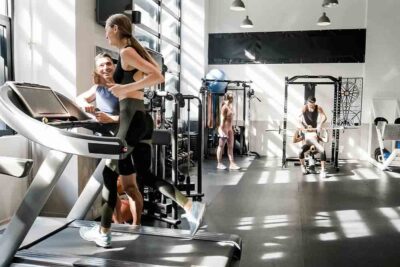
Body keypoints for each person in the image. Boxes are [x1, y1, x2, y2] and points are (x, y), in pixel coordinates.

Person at [79, 13, 205, 248]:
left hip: (131, 118)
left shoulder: (126, 52)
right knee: (145, 175)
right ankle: (190, 206)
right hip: (141, 119)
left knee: (109, 174)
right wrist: (116, 86)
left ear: (115, 28)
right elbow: (151, 71)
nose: (106, 35)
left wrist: (126, 87)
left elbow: (156, 75)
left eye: (107, 30)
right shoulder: (131, 51)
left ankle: (103, 231)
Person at [76, 52, 143, 226]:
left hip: (124, 141)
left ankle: (137, 226)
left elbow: (136, 114)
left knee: (129, 187)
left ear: (114, 66)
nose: (105, 67)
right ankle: (119, 225)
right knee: (110, 186)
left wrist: (112, 119)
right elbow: (79, 98)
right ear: (97, 69)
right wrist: (86, 105)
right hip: (104, 142)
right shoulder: (97, 88)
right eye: (101, 65)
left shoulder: (124, 86)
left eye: (108, 64)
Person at [297, 96, 327, 178]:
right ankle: (303, 167)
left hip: (314, 133)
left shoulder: (318, 108)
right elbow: (298, 119)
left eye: (313, 105)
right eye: (310, 105)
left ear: (315, 103)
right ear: (307, 103)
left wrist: (320, 124)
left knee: (322, 150)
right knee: (300, 151)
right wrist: (302, 127)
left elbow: (324, 117)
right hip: (307, 133)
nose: (311, 106)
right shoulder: (303, 108)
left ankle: (323, 170)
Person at [217, 92, 240, 170]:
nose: (232, 99)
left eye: (232, 98)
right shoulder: (224, 107)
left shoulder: (230, 106)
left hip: (230, 129)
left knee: (230, 147)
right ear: (228, 98)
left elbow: (231, 119)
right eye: (231, 98)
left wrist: (232, 127)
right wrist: (221, 130)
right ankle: (219, 164)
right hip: (224, 129)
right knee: (221, 146)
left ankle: (232, 164)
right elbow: (222, 119)